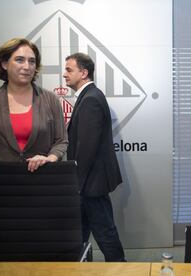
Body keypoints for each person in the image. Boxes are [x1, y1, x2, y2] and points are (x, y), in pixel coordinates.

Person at [0, 38, 67, 175]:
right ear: (4, 64)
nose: (27, 66)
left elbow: (61, 141)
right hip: (1, 184)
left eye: (32, 61)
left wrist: (50, 158)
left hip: (43, 183)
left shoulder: (50, 99)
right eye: (20, 60)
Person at [63, 52, 125, 262]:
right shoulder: (89, 96)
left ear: (84, 72)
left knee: (104, 231)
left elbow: (86, 148)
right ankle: (80, 267)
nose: (64, 75)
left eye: (69, 70)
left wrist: (77, 184)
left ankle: (120, 268)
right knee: (80, 232)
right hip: (89, 181)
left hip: (90, 183)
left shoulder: (90, 99)